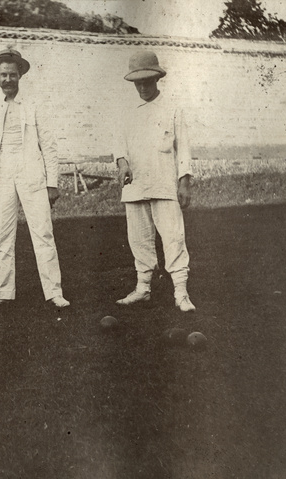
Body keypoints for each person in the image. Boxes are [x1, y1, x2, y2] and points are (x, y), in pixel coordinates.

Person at [0, 48, 69, 309]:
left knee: (43, 233)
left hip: (31, 174)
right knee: (3, 235)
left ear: (20, 75)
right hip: (1, 175)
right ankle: (4, 292)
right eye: (3, 75)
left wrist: (52, 182)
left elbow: (50, 146)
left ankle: (54, 292)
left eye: (12, 74)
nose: (7, 80)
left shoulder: (34, 105)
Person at [114, 50, 196, 312]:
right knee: (139, 238)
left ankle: (181, 292)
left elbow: (183, 147)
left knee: (173, 237)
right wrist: (122, 163)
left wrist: (184, 182)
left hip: (164, 183)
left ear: (157, 79)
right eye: (137, 82)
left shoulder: (173, 108)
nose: (142, 87)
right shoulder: (126, 111)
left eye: (147, 81)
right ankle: (143, 289)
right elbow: (119, 145)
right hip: (135, 185)